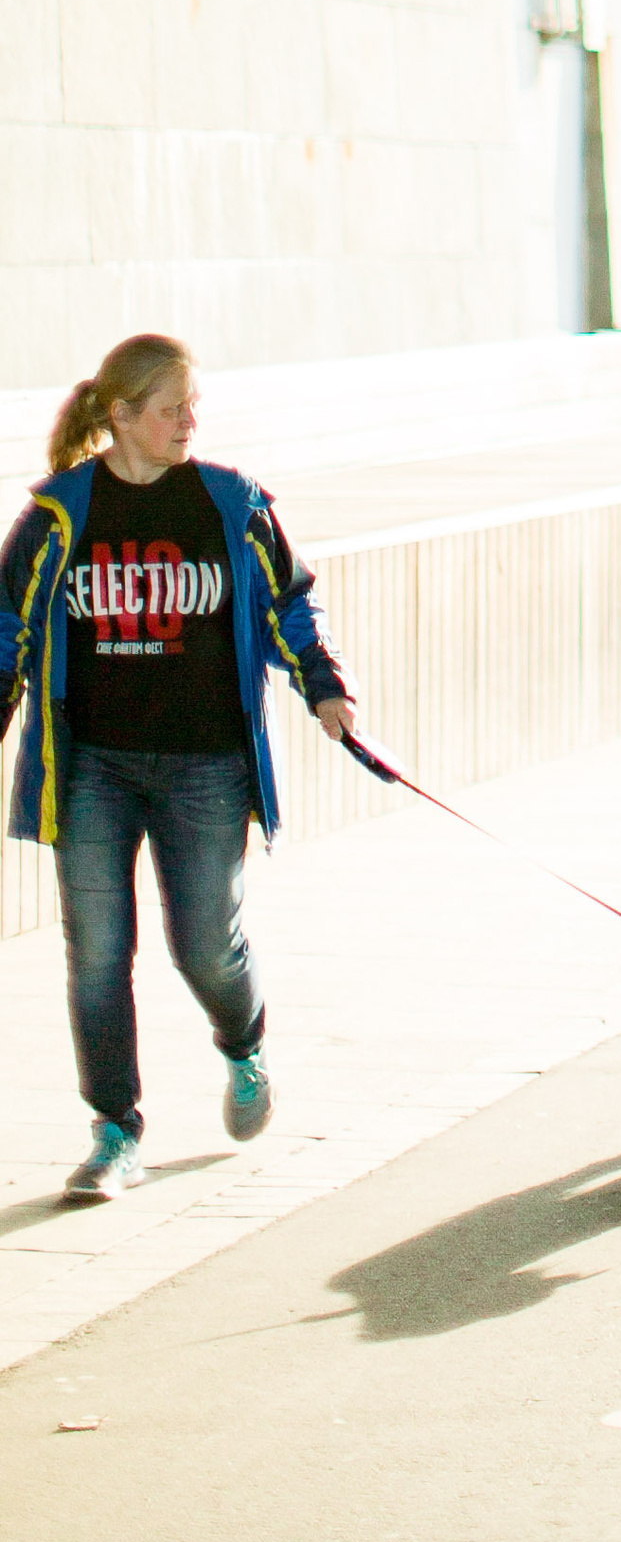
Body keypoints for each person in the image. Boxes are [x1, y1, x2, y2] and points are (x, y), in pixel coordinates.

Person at [0, 334, 359, 1202]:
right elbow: (7, 630)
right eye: (171, 409)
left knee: (204, 947)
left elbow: (286, 603)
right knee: (96, 954)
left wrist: (324, 687)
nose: (188, 422)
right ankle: (115, 1131)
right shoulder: (60, 514)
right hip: (93, 767)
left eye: (193, 406)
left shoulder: (231, 503)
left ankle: (244, 1046)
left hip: (205, 766)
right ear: (120, 415)